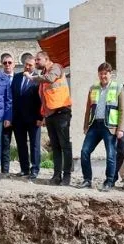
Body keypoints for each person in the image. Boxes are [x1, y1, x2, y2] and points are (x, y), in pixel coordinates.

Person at [80, 63, 124, 191]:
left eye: (105, 73)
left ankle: (109, 181)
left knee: (111, 154)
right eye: (101, 73)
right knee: (84, 151)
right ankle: (87, 180)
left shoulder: (118, 87)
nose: (103, 76)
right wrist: (85, 126)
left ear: (110, 74)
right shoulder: (93, 88)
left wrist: (120, 128)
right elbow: (88, 108)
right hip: (94, 125)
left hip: (109, 126)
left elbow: (122, 109)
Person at [31, 51, 72, 186]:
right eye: (35, 60)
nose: (36, 62)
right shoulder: (43, 75)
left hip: (61, 112)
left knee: (65, 145)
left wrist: (33, 78)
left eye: (38, 59)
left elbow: (50, 78)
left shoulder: (56, 68)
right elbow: (45, 98)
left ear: (46, 59)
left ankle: (66, 176)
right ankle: (56, 176)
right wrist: (43, 115)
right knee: (55, 147)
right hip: (50, 115)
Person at [11, 55, 43, 179]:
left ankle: (34, 169)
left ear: (34, 66)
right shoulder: (17, 77)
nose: (27, 67)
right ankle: (24, 169)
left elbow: (41, 100)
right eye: (26, 65)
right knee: (21, 143)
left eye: (30, 65)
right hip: (18, 118)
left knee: (35, 144)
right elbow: (13, 96)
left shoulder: (38, 79)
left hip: (34, 118)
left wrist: (40, 117)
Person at [0, 53, 18, 175]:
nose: (7, 65)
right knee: (4, 143)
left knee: (21, 144)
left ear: (14, 64)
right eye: (5, 63)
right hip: (4, 116)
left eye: (9, 62)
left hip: (19, 116)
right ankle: (5, 170)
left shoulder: (19, 78)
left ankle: (25, 170)